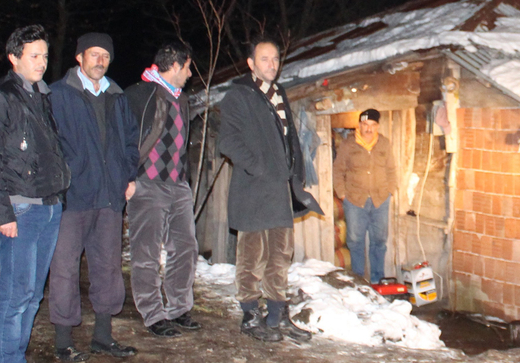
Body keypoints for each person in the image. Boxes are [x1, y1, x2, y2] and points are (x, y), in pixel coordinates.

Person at [0, 25, 70, 363]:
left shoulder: (40, 95)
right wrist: (2, 214)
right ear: (14, 57)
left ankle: (17, 362)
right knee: (14, 295)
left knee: (32, 294)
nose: (42, 62)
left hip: (47, 204)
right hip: (20, 208)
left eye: (46, 55)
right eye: (34, 55)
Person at [219, 39, 320, 342]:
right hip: (253, 190)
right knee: (252, 257)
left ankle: (277, 316)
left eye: (275, 59)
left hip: (280, 190)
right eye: (264, 59)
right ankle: (250, 315)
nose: (271, 65)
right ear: (251, 64)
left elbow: (290, 142)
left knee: (280, 256)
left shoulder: (280, 94)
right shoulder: (239, 96)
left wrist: (296, 175)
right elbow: (227, 140)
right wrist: (257, 167)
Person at [48, 33, 140, 363]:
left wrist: (127, 176)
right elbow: (50, 145)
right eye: (93, 54)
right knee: (64, 268)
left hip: (109, 198)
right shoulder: (58, 95)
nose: (99, 60)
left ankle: (103, 336)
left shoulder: (117, 96)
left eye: (105, 55)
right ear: (79, 57)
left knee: (108, 268)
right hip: (72, 197)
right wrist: (63, 180)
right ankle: (63, 340)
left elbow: (132, 142)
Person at [124, 42, 201, 338]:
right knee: (146, 251)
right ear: (176, 65)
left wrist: (186, 180)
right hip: (147, 183)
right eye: (188, 66)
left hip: (178, 185)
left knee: (186, 247)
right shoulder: (139, 94)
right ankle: (153, 313)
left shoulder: (182, 99)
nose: (191, 73)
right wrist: (127, 178)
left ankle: (179, 308)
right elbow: (125, 140)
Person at [333, 108, 397, 284]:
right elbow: (337, 171)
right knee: (355, 241)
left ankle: (378, 281)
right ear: (359, 125)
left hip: (380, 200)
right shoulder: (348, 145)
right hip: (355, 201)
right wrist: (343, 194)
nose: (368, 129)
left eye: (372, 125)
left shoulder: (384, 143)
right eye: (365, 124)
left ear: (377, 126)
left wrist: (390, 190)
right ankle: (359, 281)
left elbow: (391, 170)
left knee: (379, 241)